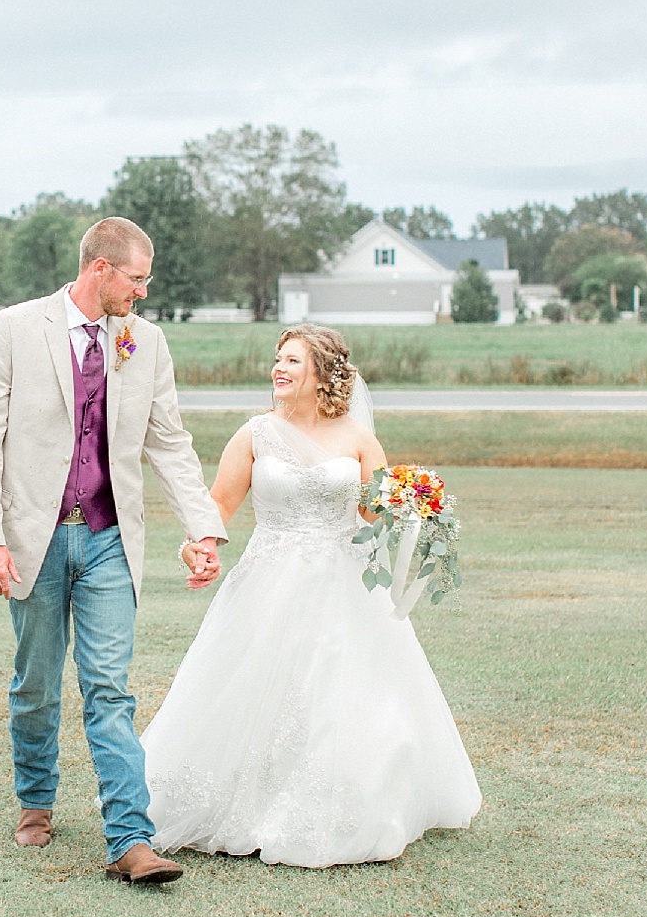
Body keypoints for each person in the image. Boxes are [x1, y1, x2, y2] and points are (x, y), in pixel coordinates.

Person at [0, 216, 228, 885]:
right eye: (137, 280)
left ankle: (131, 837)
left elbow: (169, 441)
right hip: (31, 541)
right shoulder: (14, 328)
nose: (143, 294)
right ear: (100, 268)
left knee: (109, 688)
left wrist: (204, 527)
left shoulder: (145, 342)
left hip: (107, 539)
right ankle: (35, 799)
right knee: (36, 684)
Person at [142, 324, 482, 868]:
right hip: (267, 581)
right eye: (277, 359)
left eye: (292, 361)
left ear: (322, 373)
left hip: (343, 584)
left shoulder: (357, 439)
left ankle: (343, 803)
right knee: (252, 690)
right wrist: (195, 547)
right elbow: (217, 506)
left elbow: (376, 514)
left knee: (340, 694)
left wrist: (413, 509)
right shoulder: (254, 434)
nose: (278, 368)